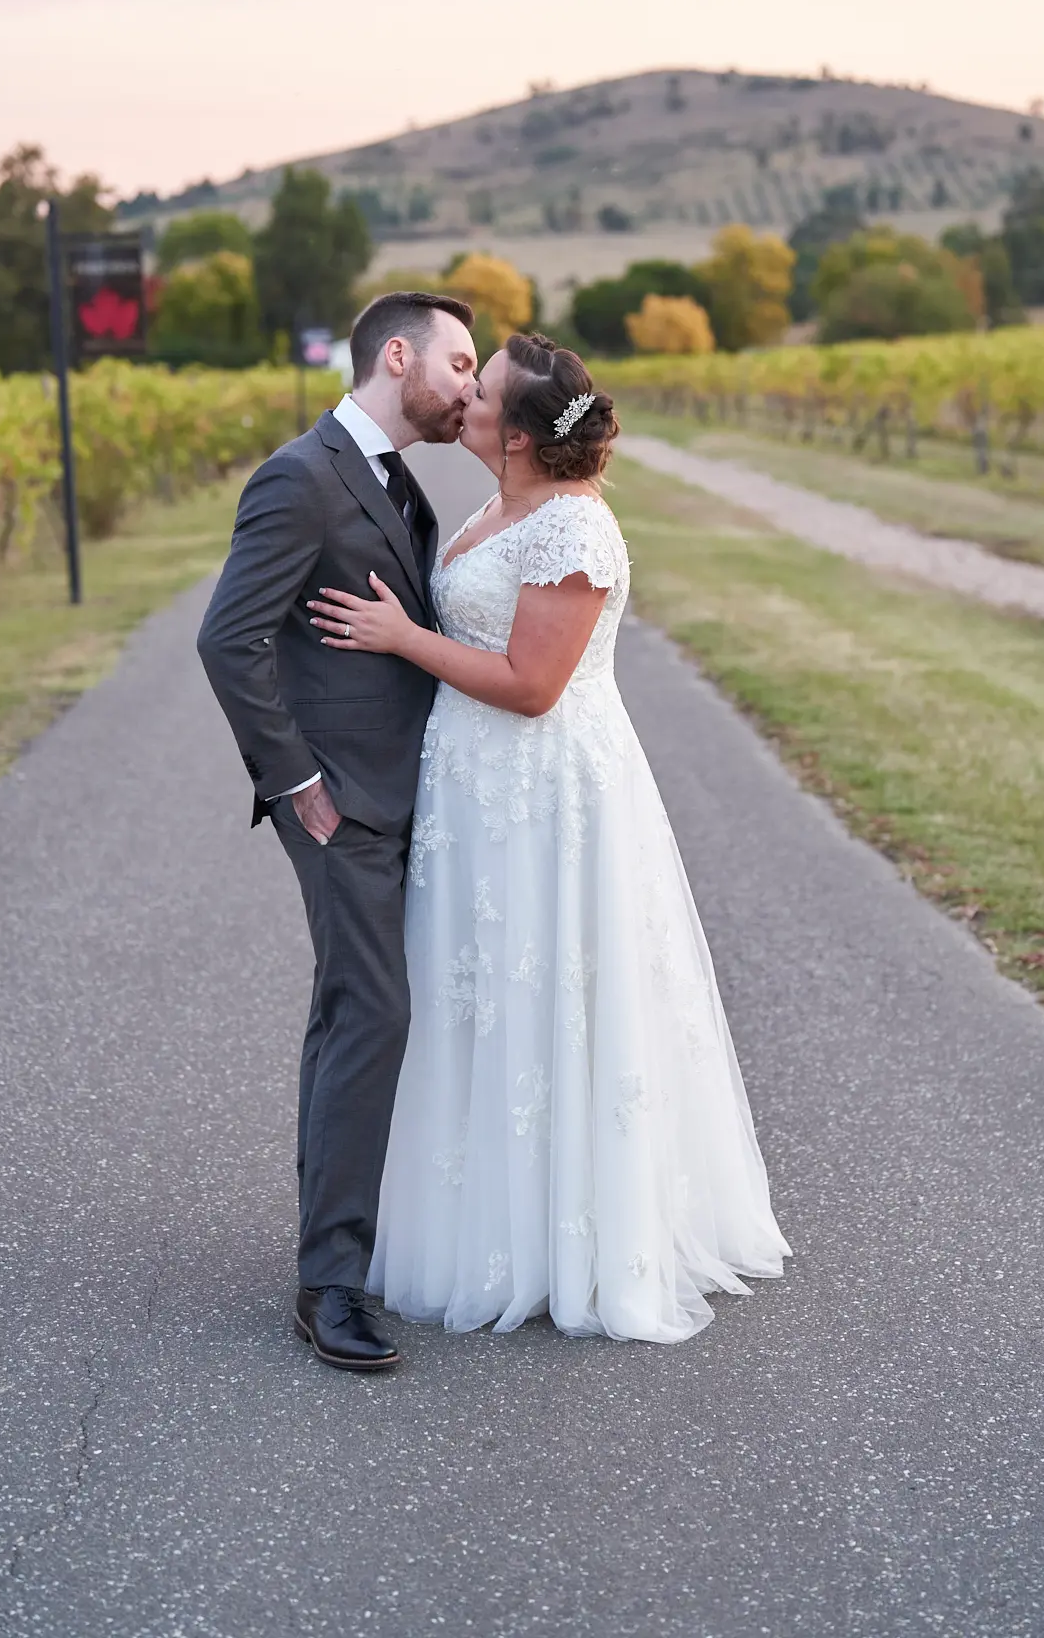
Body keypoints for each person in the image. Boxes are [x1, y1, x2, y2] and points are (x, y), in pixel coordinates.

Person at [307, 331, 790, 1344]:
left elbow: (532, 688)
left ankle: (564, 1237)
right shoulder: (495, 506)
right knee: (475, 994)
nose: (463, 394)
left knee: (551, 994)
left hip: (545, 795)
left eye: (480, 389)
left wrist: (404, 638)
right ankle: (481, 1212)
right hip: (471, 795)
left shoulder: (575, 531)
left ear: (517, 437)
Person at [197, 291, 478, 1371]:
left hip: (407, 792)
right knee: (373, 1012)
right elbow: (229, 640)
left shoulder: (397, 480)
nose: (467, 384)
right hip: (342, 800)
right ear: (396, 354)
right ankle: (331, 1285)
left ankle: (342, 1246)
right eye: (457, 363)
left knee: (351, 1013)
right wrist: (296, 779)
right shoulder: (300, 475)